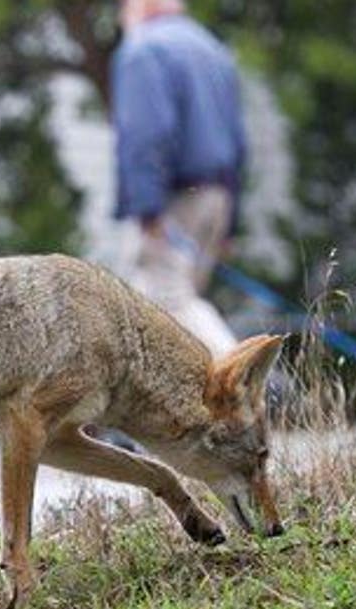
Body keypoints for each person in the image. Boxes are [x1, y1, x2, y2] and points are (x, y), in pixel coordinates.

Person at [112, 0, 247, 357]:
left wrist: (147, 209)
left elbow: (145, 135)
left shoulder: (143, 50)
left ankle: (249, 391)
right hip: (217, 197)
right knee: (179, 307)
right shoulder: (214, 51)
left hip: (175, 200)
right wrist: (230, 224)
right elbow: (238, 141)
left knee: (166, 303)